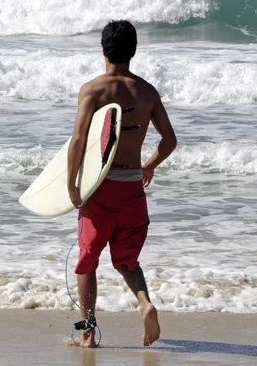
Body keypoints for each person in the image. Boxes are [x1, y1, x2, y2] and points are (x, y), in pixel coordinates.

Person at [66, 20, 177, 348]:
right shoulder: (146, 92)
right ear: (133, 52)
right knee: (126, 261)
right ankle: (144, 303)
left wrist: (72, 185)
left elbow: (78, 139)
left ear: (103, 51)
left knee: (87, 260)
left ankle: (88, 331)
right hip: (131, 190)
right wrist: (149, 166)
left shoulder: (94, 90)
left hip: (100, 190)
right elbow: (169, 140)